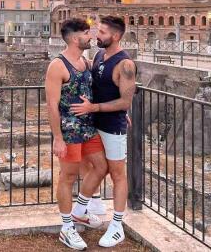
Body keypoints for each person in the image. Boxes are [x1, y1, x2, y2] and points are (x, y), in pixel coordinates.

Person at [70, 15, 136, 248]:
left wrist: (95, 107)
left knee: (118, 174)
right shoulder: (100, 55)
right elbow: (100, 84)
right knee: (96, 166)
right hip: (95, 121)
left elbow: (125, 101)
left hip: (112, 127)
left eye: (103, 32)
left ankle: (117, 226)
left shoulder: (125, 64)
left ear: (116, 36)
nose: (98, 35)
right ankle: (81, 209)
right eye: (98, 31)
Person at [45, 18, 108, 250]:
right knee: (68, 177)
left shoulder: (85, 61)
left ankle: (80, 211)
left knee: (102, 167)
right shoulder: (57, 66)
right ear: (74, 38)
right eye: (85, 33)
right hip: (70, 131)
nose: (89, 36)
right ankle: (66, 227)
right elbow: (51, 105)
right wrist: (58, 138)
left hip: (90, 128)